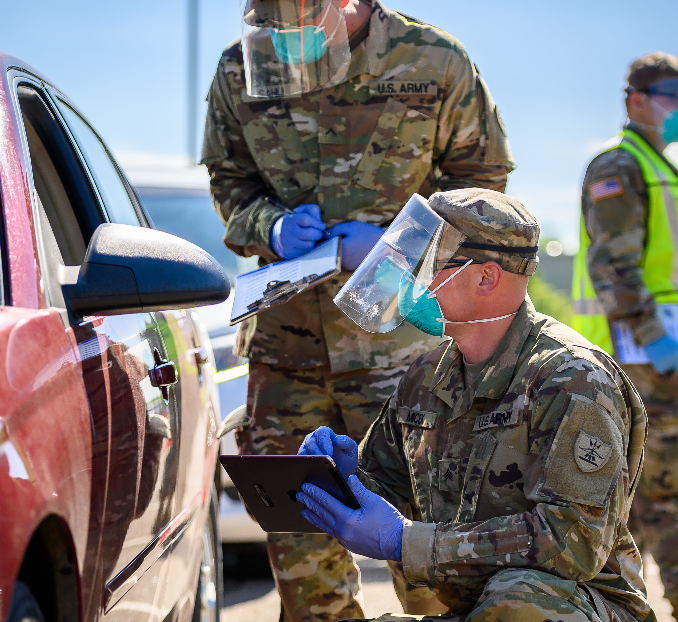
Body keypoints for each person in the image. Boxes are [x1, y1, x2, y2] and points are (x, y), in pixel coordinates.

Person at [201, 0, 515, 618]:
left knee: (432, 556)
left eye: (295, 23)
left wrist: (400, 247)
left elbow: (485, 185)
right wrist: (273, 225)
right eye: (269, 26)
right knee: (301, 559)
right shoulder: (241, 68)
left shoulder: (435, 60)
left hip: (408, 356)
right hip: (287, 354)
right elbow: (229, 182)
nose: (282, 39)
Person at [298, 188, 654, 622]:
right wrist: (346, 477)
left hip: (571, 607)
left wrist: (405, 541)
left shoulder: (572, 378)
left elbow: (571, 543)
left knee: (518, 598)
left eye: (426, 263)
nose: (409, 278)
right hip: (467, 609)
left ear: (485, 278)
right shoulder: (425, 377)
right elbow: (388, 495)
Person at [571, 52, 678, 614]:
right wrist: (651, 336)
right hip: (641, 360)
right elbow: (615, 266)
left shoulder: (663, 167)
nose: (676, 105)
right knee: (654, 501)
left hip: (663, 357)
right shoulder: (620, 165)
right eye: (669, 92)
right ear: (635, 99)